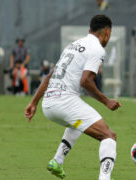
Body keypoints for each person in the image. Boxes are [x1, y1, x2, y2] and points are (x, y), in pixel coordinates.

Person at [25, 15, 121, 180]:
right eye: (109, 34)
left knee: (78, 122)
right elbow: (86, 81)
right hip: (65, 102)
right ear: (106, 32)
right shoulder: (97, 48)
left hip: (49, 104)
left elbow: (50, 75)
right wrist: (107, 101)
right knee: (109, 136)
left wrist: (34, 102)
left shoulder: (73, 45)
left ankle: (57, 160)